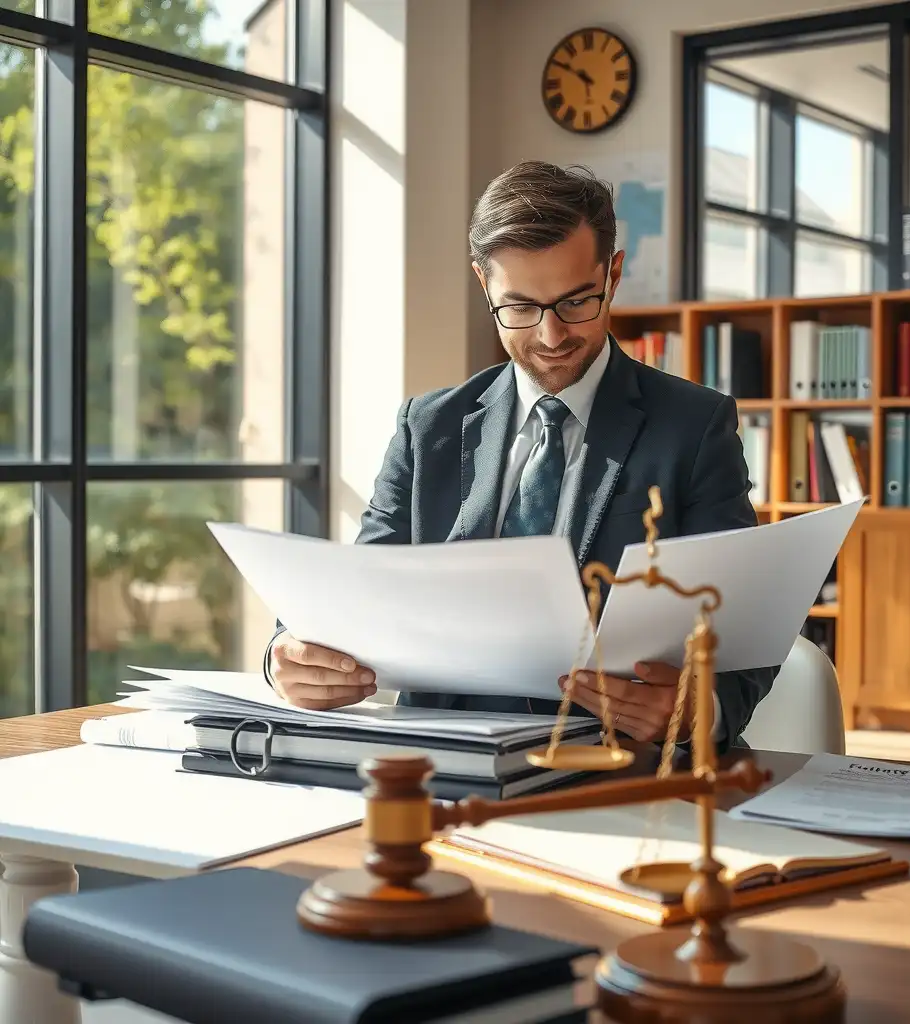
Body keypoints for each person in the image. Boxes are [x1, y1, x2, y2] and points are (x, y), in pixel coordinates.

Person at [265, 160, 776, 750]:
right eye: (521, 308)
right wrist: (287, 655)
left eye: (576, 302)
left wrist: (698, 710)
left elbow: (742, 633)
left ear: (612, 274)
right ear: (484, 283)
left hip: (611, 766)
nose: (551, 336)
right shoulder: (428, 427)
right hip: (442, 761)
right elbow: (359, 591)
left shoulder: (694, 426)